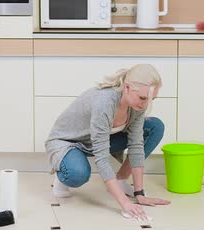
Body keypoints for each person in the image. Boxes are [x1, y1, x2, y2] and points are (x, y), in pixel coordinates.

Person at [45, 64, 171, 220]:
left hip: (97, 140)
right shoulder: (104, 102)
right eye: (143, 98)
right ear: (127, 87)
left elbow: (136, 145)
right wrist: (125, 204)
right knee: (77, 174)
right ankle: (63, 171)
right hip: (69, 143)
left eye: (151, 99)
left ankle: (121, 179)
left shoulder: (137, 105)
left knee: (154, 126)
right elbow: (102, 158)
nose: (145, 104)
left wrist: (139, 194)